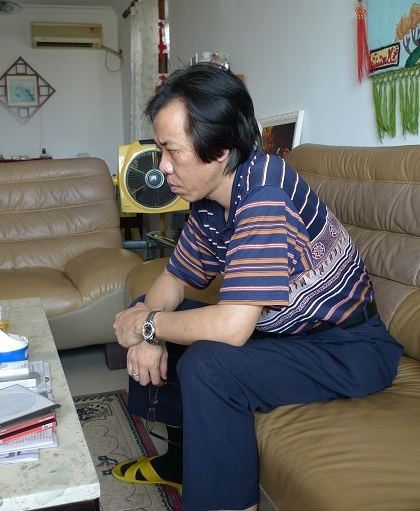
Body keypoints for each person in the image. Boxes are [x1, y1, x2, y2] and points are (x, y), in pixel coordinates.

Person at [112, 63, 404, 511]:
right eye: (160, 150)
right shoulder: (210, 200)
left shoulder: (264, 192)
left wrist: (148, 327)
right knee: (147, 306)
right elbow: (173, 279)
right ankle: (181, 461)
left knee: (208, 362)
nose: (163, 166)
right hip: (288, 337)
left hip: (349, 349)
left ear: (219, 149)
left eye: (172, 151)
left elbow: (231, 330)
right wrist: (148, 326)